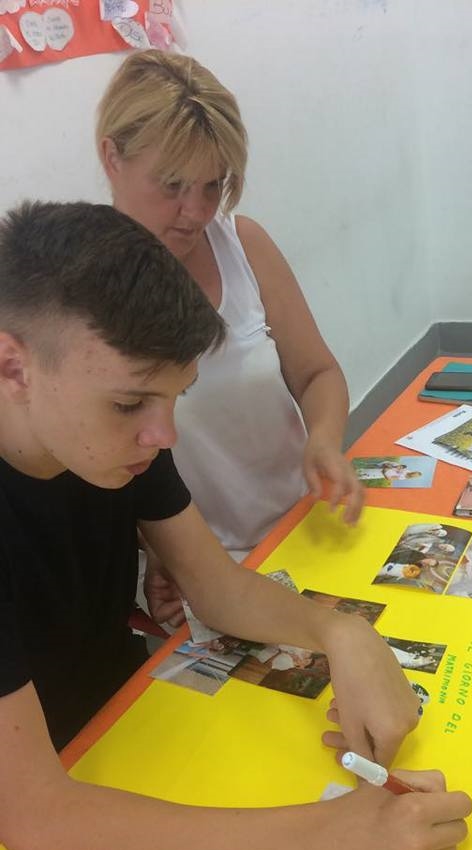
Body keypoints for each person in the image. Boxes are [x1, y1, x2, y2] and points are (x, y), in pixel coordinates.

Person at [0, 200, 472, 850]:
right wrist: (321, 844)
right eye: (131, 404)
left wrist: (342, 633)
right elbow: (37, 819)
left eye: (176, 397)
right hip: (50, 800)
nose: (164, 434)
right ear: (14, 367)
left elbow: (215, 585)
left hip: (124, 726)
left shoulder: (120, 439)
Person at [95, 50, 364, 623]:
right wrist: (155, 546)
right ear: (112, 157)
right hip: (202, 568)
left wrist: (323, 439)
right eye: (172, 185)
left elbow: (317, 372)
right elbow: (92, 462)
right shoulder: (83, 291)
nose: (194, 212)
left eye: (213, 185)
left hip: (303, 523)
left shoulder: (242, 244)